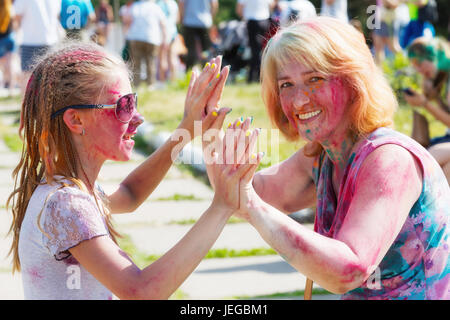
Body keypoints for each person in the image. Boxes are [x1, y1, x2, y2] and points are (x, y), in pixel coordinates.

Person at [205, 17, 449, 299]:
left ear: (353, 82)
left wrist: (250, 205)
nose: (298, 100)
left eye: (315, 79)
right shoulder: (323, 154)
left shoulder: (391, 160)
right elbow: (243, 194)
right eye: (286, 85)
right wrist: (209, 132)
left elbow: (350, 268)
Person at [6, 41, 237, 299]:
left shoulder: (71, 189)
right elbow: (141, 291)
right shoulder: (67, 204)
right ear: (76, 119)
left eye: (133, 102)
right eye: (124, 106)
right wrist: (221, 207)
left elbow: (130, 193)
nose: (138, 118)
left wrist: (186, 129)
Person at [404, 36, 450, 184]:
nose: (418, 69)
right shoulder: (443, 75)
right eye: (414, 65)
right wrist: (433, 98)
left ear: (433, 55)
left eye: (419, 62)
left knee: (427, 160)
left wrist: (425, 104)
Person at [13, 0, 62, 94]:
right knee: (48, 78)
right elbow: (57, 16)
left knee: (26, 78)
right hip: (50, 41)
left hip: (29, 41)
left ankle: (26, 107)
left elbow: (17, 17)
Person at [126, 0, 167, 88]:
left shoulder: (135, 6)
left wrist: (126, 34)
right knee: (151, 62)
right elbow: (163, 24)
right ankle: (150, 84)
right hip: (152, 37)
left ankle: (136, 84)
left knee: (136, 63)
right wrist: (164, 39)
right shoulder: (156, 7)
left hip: (136, 37)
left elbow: (129, 21)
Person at [236, 0, 274, 83]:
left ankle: (255, 77)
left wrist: (244, 18)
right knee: (264, 50)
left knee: (255, 51)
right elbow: (271, 5)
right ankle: (262, 75)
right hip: (265, 21)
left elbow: (239, 9)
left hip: (253, 22)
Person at [178, 0, 218, 71]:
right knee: (206, 50)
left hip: (189, 22)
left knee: (190, 49)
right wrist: (210, 17)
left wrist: (182, 18)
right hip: (205, 22)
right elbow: (214, 4)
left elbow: (181, 4)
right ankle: (207, 71)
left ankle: (189, 72)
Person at [156, 0, 180, 82]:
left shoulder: (159, 4)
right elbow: (178, 19)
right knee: (172, 57)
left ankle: (162, 80)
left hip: (162, 34)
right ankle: (173, 80)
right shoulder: (173, 3)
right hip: (173, 32)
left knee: (162, 58)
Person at [372, 0, 402, 64]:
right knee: (378, 47)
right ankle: (380, 69)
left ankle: (405, 64)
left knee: (393, 46)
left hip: (390, 19)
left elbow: (396, 4)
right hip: (380, 18)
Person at [0, 0, 16, 95]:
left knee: (1, 66)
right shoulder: (10, 7)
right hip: (10, 37)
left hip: (1, 39)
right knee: (10, 64)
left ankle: (1, 86)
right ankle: (11, 88)